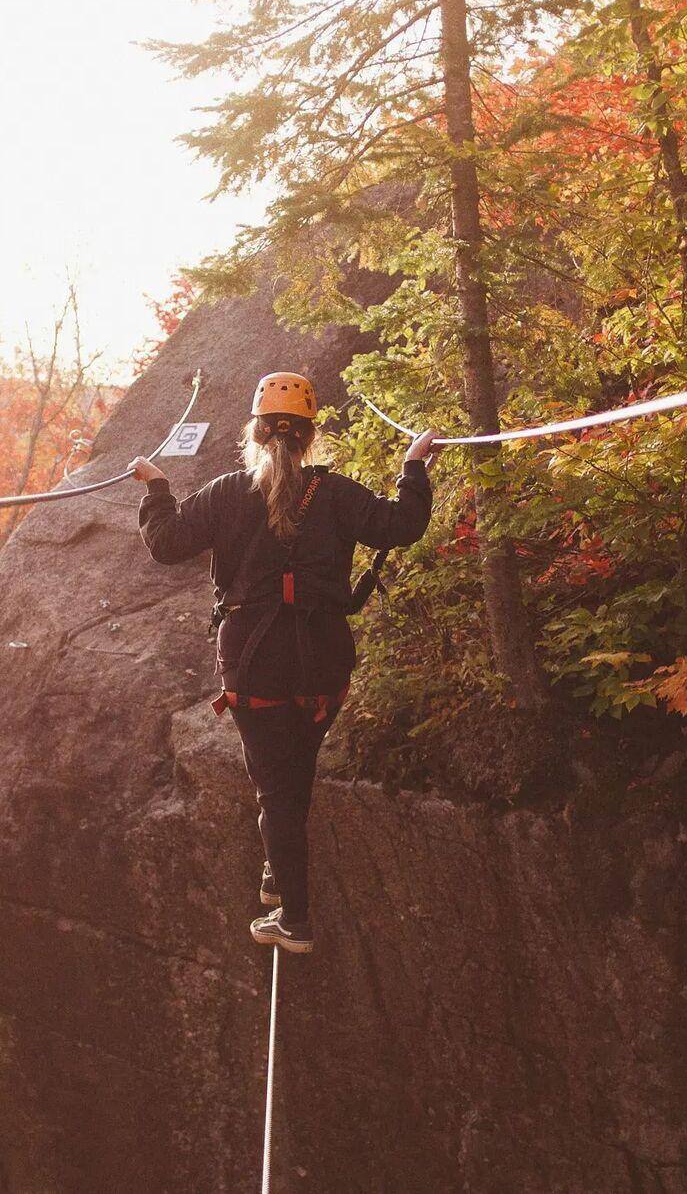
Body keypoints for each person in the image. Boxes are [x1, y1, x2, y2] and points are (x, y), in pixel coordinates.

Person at [130, 371, 437, 955]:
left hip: (254, 661)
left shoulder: (227, 492)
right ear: (308, 439)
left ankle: (294, 920)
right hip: (323, 658)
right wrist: (413, 467)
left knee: (275, 785)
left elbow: (166, 544)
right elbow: (403, 525)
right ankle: (280, 862)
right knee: (293, 771)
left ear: (254, 433)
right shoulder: (337, 493)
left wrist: (158, 488)